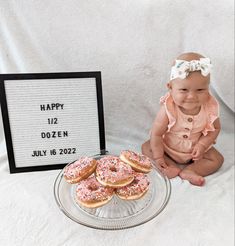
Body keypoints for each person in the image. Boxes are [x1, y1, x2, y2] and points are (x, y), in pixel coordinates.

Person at [142, 52, 224, 186]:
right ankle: (170, 166)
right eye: (184, 90)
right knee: (147, 147)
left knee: (217, 159)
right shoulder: (168, 109)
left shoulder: (210, 107)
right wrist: (158, 156)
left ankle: (191, 170)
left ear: (208, 88)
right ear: (170, 88)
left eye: (200, 90)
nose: (191, 96)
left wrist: (202, 145)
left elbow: (216, 128)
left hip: (196, 151)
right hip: (168, 148)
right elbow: (156, 133)